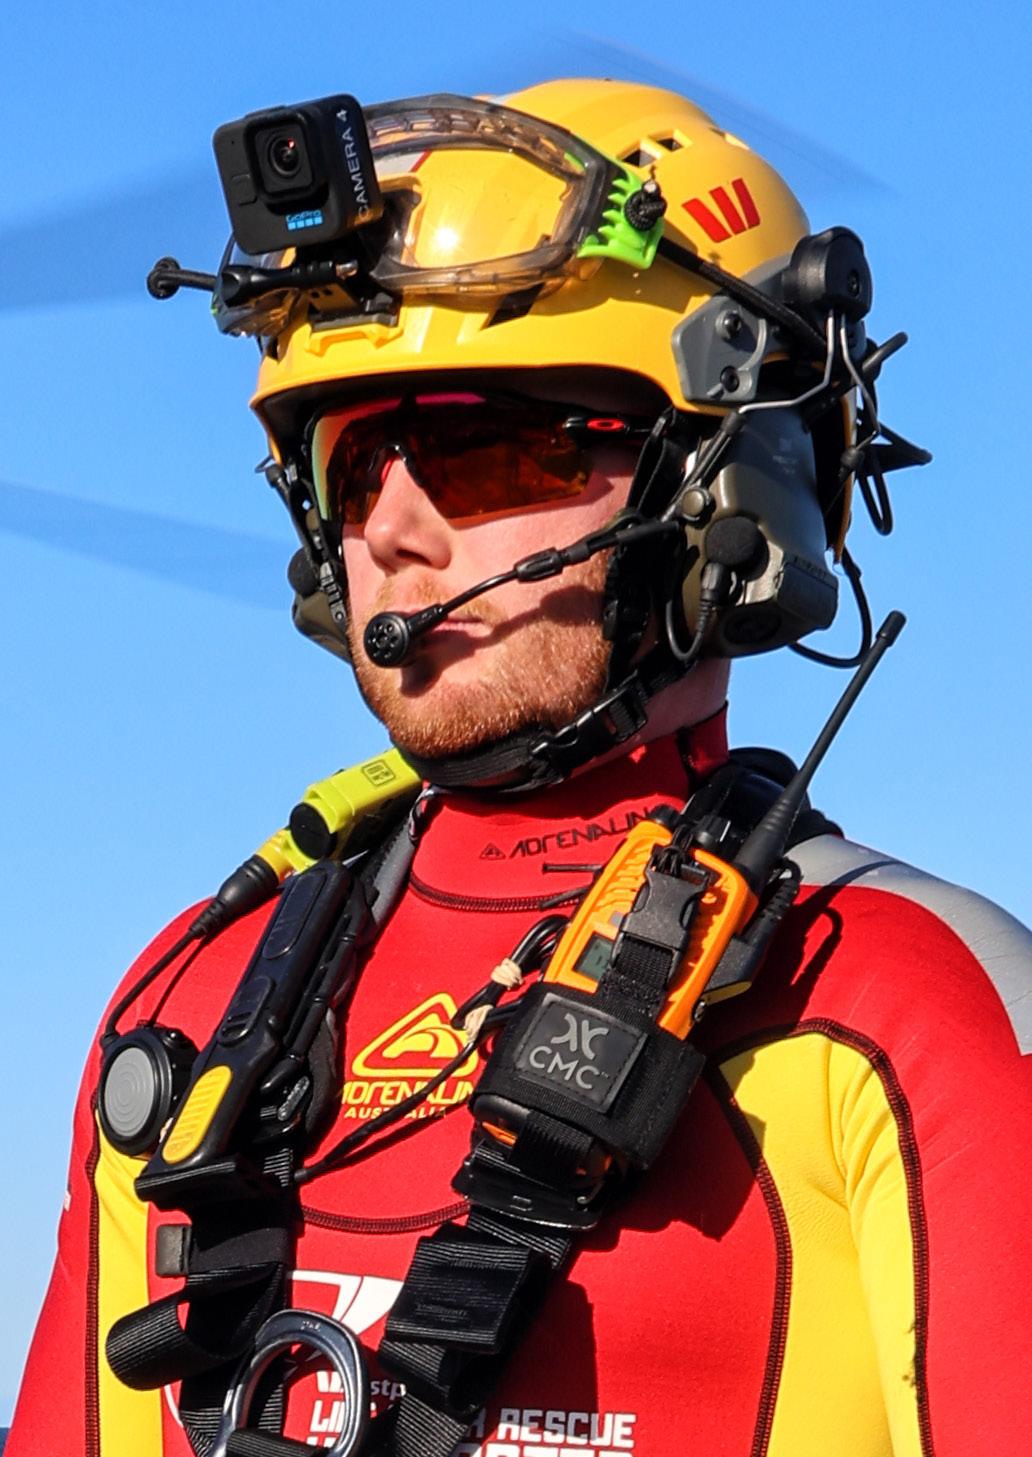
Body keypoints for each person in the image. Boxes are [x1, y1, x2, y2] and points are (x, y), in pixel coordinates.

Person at [8, 78, 1031, 1457]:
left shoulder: (911, 1010)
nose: (396, 533)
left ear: (723, 482)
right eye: (354, 468)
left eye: (488, 453)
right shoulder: (189, 1013)